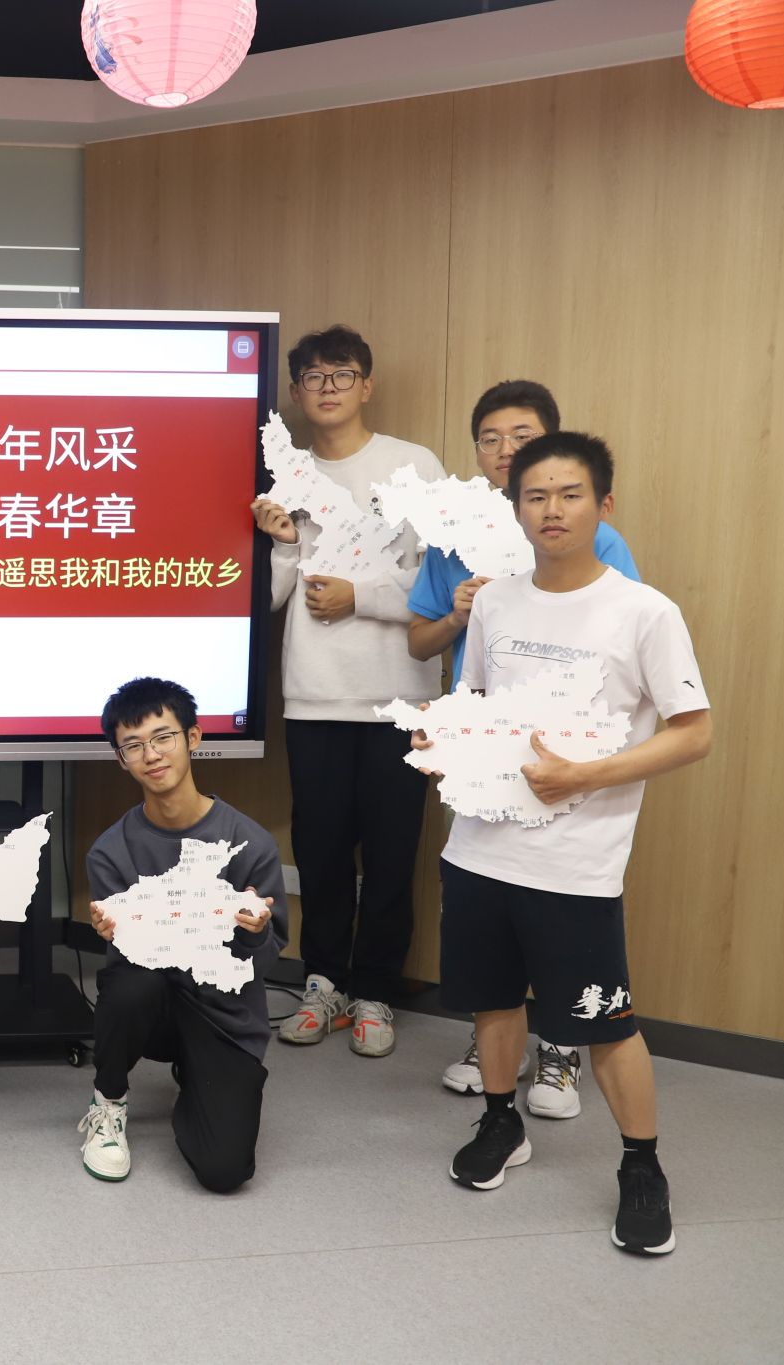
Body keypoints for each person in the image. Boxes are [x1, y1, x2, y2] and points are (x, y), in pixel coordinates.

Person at [419, 432, 710, 1255]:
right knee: (493, 998)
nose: (552, 509)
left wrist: (586, 774)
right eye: (536, 495)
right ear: (516, 508)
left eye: (570, 493)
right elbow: (476, 703)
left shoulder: (645, 611)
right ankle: (501, 1121)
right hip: (479, 849)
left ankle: (641, 1166)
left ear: (603, 505)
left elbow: (694, 732)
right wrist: (443, 741)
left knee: (604, 1023)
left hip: (577, 864)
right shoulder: (497, 602)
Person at [406, 380, 642, 1116]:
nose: (505, 450)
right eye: (491, 438)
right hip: (485, 763)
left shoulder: (595, 539)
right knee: (492, 919)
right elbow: (423, 643)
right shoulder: (454, 536)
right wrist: (458, 615)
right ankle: (496, 1054)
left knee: (562, 919)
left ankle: (562, 1050)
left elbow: (622, 655)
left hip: (571, 771)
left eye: (523, 436)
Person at [249, 324, 442, 1059]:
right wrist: (284, 546)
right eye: (313, 377)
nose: (328, 387)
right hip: (315, 695)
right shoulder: (285, 474)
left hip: (398, 697)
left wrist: (360, 596)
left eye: (342, 374)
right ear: (297, 393)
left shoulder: (411, 465)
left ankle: (377, 991)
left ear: (367, 384)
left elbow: (441, 583)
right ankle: (324, 982)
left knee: (392, 855)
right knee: (322, 851)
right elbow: (270, 599)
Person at [78, 676, 286, 1193]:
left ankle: (198, 1077)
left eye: (163, 737)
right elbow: (123, 966)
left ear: (193, 738)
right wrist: (114, 934)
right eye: (133, 745)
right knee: (132, 984)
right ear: (120, 759)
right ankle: (108, 1100)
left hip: (222, 1011)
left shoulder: (249, 843)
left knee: (224, 1171)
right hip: (154, 1001)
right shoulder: (110, 852)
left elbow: (264, 963)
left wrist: (254, 934)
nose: (151, 755)